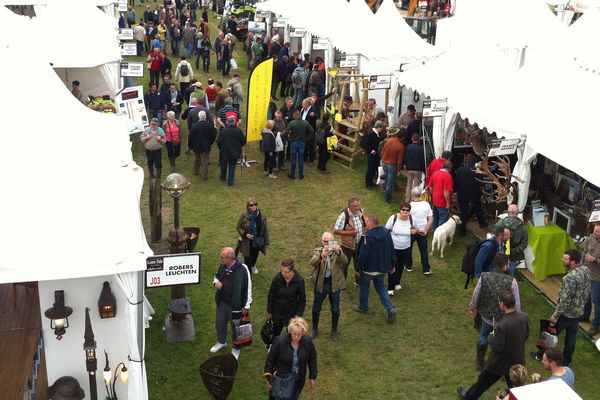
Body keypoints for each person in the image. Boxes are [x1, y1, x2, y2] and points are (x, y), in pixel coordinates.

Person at [457, 291, 529, 400]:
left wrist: (491, 337)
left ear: (502, 304)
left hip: (499, 363)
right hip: (516, 359)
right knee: (515, 383)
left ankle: (468, 397)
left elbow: (498, 346)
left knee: (483, 381)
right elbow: (526, 335)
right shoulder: (524, 317)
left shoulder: (503, 324)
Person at [470, 254, 521, 372]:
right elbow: (516, 302)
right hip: (504, 320)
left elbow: (476, 294)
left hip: (486, 315)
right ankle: (500, 368)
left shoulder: (484, 277)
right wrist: (517, 317)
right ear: (504, 266)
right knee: (503, 343)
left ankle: (480, 363)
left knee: (483, 336)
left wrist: (473, 306)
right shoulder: (512, 281)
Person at [539, 249, 590, 366]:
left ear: (572, 262)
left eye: (565, 259)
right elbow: (587, 291)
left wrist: (555, 315)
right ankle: (566, 361)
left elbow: (565, 301)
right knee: (571, 337)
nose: (562, 260)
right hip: (578, 312)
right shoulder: (586, 270)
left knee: (549, 333)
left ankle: (541, 354)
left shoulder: (569, 278)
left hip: (565, 314)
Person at [353, 214, 398, 324]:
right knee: (381, 287)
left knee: (364, 287)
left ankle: (363, 307)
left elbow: (363, 255)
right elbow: (391, 249)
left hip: (368, 269)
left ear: (371, 223)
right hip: (382, 268)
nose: (365, 223)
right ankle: (390, 308)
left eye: (366, 221)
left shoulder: (367, 236)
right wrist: (392, 265)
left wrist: (358, 268)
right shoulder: (386, 233)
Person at [211, 247, 252, 360]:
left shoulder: (243, 269)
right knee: (219, 323)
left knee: (236, 327)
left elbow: (248, 287)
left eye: (222, 257)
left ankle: (236, 348)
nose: (220, 259)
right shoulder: (223, 266)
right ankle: (222, 342)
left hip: (236, 306)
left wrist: (247, 305)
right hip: (222, 303)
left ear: (230, 258)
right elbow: (216, 276)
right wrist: (216, 283)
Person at [264, 317, 317, 400]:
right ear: (290, 331)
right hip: (281, 378)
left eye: (298, 334)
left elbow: (312, 359)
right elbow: (270, 359)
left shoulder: (308, 343)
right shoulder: (280, 341)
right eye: (294, 334)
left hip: (298, 379)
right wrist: (269, 380)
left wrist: (313, 376)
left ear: (303, 332)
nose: (296, 337)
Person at [309, 232, 348, 341]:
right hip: (322, 284)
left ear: (333, 241)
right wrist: (321, 256)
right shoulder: (318, 251)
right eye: (325, 241)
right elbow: (312, 263)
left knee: (335, 309)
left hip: (334, 284)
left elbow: (345, 262)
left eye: (330, 241)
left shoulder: (337, 251)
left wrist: (338, 252)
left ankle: (334, 331)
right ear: (322, 241)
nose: (327, 243)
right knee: (316, 308)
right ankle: (314, 329)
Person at [267, 259, 306, 338]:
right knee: (276, 332)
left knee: (290, 335)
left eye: (286, 272)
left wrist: (298, 314)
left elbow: (302, 299)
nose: (283, 274)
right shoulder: (277, 279)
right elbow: (271, 295)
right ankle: (273, 347)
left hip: (291, 312)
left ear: (292, 271)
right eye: (282, 271)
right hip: (278, 311)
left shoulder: (299, 281)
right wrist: (269, 311)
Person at [385, 203, 419, 295]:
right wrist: (408, 231)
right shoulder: (393, 218)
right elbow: (387, 230)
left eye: (407, 210)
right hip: (394, 247)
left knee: (400, 266)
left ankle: (397, 282)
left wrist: (414, 231)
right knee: (393, 267)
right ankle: (390, 288)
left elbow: (417, 228)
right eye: (403, 209)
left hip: (406, 247)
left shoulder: (412, 219)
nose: (405, 212)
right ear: (400, 209)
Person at [334, 197, 365, 284]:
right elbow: (336, 231)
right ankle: (342, 284)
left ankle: (358, 282)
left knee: (359, 264)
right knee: (344, 265)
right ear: (350, 207)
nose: (358, 208)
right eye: (356, 206)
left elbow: (363, 225)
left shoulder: (360, 212)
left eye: (359, 205)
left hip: (359, 243)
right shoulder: (343, 216)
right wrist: (351, 232)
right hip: (347, 246)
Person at [236, 197, 269, 274]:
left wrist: (266, 242)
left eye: (255, 204)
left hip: (257, 240)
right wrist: (245, 234)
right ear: (248, 206)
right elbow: (238, 227)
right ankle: (248, 275)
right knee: (247, 258)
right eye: (251, 205)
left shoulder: (262, 216)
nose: (253, 206)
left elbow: (265, 230)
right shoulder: (243, 215)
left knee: (255, 255)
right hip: (246, 242)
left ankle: (253, 265)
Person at [456, 154, 487, 236]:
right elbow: (482, 183)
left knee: (463, 212)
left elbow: (456, 183)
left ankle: (462, 231)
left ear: (466, 161)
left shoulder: (459, 170)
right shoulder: (477, 171)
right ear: (475, 162)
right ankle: (482, 223)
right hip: (475, 194)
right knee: (478, 209)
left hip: (463, 194)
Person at [494, 204, 528, 276]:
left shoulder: (500, 223)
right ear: (518, 213)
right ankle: (510, 283)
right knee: (511, 268)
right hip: (514, 255)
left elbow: (494, 234)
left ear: (508, 212)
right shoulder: (523, 227)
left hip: (501, 252)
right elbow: (524, 244)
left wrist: (501, 247)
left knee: (498, 267)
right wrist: (513, 251)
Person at [407, 187, 433, 274]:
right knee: (423, 250)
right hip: (423, 231)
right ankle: (426, 269)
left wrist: (416, 230)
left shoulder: (410, 205)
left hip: (413, 231)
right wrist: (425, 230)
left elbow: (408, 221)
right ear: (420, 195)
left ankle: (408, 266)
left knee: (408, 248)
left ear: (412, 195)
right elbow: (430, 219)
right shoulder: (426, 204)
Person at [284, 110, 314, 180]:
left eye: (293, 115)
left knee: (293, 159)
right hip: (302, 143)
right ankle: (301, 174)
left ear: (295, 115)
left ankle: (293, 174)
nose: (293, 116)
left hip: (294, 142)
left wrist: (288, 140)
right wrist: (306, 139)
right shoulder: (305, 123)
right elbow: (312, 132)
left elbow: (285, 133)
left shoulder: (292, 123)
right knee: (301, 159)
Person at [582, 223, 600, 336]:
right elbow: (584, 250)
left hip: (597, 278)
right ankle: (585, 316)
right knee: (586, 297)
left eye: (597, 232)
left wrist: (595, 260)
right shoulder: (591, 237)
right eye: (595, 230)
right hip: (587, 273)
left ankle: (595, 325)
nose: (595, 233)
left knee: (597, 303)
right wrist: (581, 265)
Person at [216, 116, 246, 186]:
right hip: (235, 151)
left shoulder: (223, 131)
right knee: (232, 167)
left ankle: (223, 177)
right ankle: (230, 181)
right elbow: (243, 141)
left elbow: (219, 142)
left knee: (223, 164)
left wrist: (221, 148)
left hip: (224, 151)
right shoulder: (238, 131)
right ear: (234, 122)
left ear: (227, 123)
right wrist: (239, 146)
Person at [379, 128, 405, 203]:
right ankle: (388, 199)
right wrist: (399, 170)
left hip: (384, 163)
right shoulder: (401, 146)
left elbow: (382, 151)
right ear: (402, 138)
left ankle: (387, 194)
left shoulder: (388, 140)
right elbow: (399, 161)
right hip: (392, 165)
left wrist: (383, 159)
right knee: (390, 182)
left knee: (387, 179)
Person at [189, 110, 216, 180]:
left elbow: (190, 137)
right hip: (206, 145)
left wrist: (190, 146)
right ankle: (205, 176)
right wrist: (211, 142)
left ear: (199, 117)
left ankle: (196, 171)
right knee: (205, 161)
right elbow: (213, 135)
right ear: (205, 117)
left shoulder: (194, 126)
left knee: (197, 159)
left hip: (196, 145)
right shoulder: (210, 126)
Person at [428, 159, 453, 232]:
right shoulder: (447, 176)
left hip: (435, 199)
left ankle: (434, 231)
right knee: (443, 218)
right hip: (442, 201)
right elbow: (446, 191)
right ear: (449, 168)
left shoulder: (435, 173)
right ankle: (439, 232)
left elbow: (430, 187)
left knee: (435, 217)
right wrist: (448, 202)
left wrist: (433, 195)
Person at [361, 120, 385, 190]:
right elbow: (365, 144)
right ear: (378, 127)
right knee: (370, 169)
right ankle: (368, 184)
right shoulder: (372, 134)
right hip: (371, 155)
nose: (382, 130)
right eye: (381, 128)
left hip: (375, 155)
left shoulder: (376, 133)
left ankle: (371, 182)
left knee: (373, 169)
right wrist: (371, 151)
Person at [403, 134, 425, 202]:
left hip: (409, 168)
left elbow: (405, 158)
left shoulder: (408, 147)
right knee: (416, 185)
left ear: (412, 139)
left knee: (409, 184)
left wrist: (405, 165)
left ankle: (407, 199)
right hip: (418, 169)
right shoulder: (421, 148)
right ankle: (413, 199)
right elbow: (422, 160)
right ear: (418, 140)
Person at [300, 98, 319, 164]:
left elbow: (317, 116)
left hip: (310, 131)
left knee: (311, 145)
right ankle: (304, 158)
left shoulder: (313, 109)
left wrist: (314, 115)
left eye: (304, 105)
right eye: (302, 104)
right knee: (304, 144)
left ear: (308, 105)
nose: (302, 106)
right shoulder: (302, 110)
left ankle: (311, 159)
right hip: (303, 130)